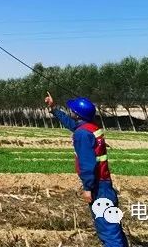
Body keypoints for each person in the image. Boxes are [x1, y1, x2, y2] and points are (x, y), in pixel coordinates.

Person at [45, 92, 129, 247]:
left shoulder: (82, 134)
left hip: (98, 187)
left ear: (77, 114)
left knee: (108, 231)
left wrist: (87, 188)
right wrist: (54, 109)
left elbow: (87, 164)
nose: (71, 112)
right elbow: (71, 124)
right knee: (113, 226)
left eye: (73, 111)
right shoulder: (89, 128)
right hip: (104, 184)